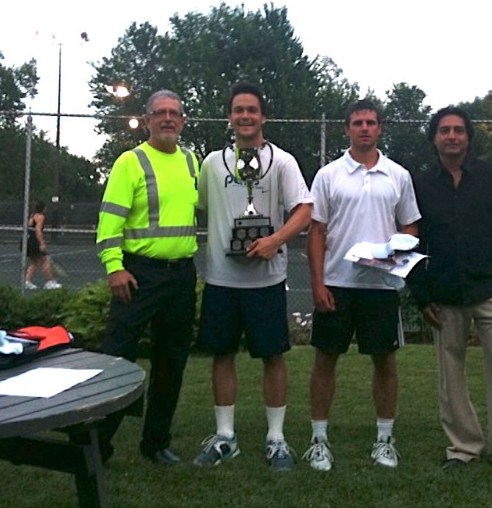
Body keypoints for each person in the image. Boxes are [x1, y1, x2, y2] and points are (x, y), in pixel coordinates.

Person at [193, 81, 311, 471]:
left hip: (267, 280)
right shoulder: (211, 163)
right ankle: (225, 436)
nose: (245, 116)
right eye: (238, 109)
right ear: (229, 116)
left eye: (252, 110)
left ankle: (276, 438)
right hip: (222, 278)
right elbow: (200, 206)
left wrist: (274, 240)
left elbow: (304, 210)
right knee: (222, 354)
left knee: (272, 356)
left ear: (263, 116)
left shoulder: (283, 162)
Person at [406, 105, 492, 479]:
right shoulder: (421, 184)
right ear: (434, 138)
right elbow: (410, 242)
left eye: (458, 130)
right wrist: (421, 293)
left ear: (468, 137)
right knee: (451, 376)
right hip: (444, 295)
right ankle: (462, 447)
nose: (452, 136)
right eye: (444, 130)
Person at [303, 99, 421, 471]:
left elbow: (411, 226)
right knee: (325, 359)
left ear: (380, 128)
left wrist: (396, 251)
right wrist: (318, 283)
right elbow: (316, 231)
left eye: (371, 122)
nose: (364, 128)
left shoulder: (398, 175)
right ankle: (318, 440)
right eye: (357, 122)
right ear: (347, 129)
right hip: (337, 283)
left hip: (381, 287)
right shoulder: (328, 175)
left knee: (385, 361)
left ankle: (385, 440)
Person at [96, 89, 200, 465]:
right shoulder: (131, 162)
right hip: (138, 276)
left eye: (175, 113)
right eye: (161, 113)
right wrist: (114, 266)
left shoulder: (192, 162)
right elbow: (110, 219)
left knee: (171, 362)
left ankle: (155, 442)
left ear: (183, 120)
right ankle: (99, 443)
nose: (168, 118)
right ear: (148, 119)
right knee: (117, 358)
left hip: (180, 278)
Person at [24, 201, 61, 290]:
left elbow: (30, 228)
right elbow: (38, 230)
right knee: (45, 261)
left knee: (34, 262)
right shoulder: (41, 217)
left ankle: (27, 282)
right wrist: (41, 243)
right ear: (43, 208)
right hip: (34, 241)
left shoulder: (32, 216)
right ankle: (49, 282)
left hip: (28, 240)